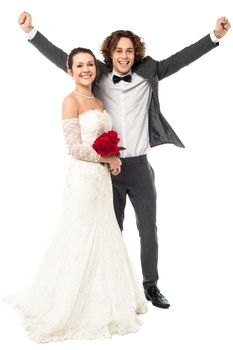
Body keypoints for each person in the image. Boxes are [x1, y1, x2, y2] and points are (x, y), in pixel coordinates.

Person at [17, 12, 231, 309]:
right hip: (108, 168)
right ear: (110, 54)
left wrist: (215, 36)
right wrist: (31, 33)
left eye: (129, 50)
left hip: (141, 166)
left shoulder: (151, 70)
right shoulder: (98, 74)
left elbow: (183, 58)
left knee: (148, 229)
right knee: (111, 229)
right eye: (119, 50)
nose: (124, 56)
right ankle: (109, 288)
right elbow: (65, 59)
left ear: (136, 54)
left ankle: (151, 286)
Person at [6, 47, 148, 342]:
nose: (86, 69)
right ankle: (70, 304)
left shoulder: (97, 99)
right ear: (70, 71)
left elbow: (102, 139)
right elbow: (74, 147)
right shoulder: (70, 101)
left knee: (104, 233)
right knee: (80, 235)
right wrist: (107, 158)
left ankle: (107, 298)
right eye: (79, 66)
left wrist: (113, 157)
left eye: (89, 65)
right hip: (83, 181)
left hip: (101, 181)